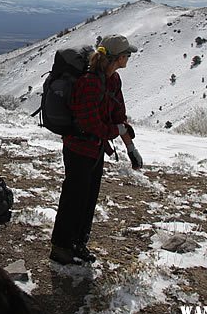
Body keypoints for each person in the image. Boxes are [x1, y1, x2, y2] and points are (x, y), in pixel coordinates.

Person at [49, 34, 143, 265]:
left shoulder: (113, 81)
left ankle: (78, 242)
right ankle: (61, 247)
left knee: (88, 198)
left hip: (95, 148)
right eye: (126, 54)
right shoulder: (89, 82)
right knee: (74, 197)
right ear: (118, 57)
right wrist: (114, 131)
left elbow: (118, 116)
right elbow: (90, 123)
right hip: (78, 148)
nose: (129, 57)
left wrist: (131, 148)